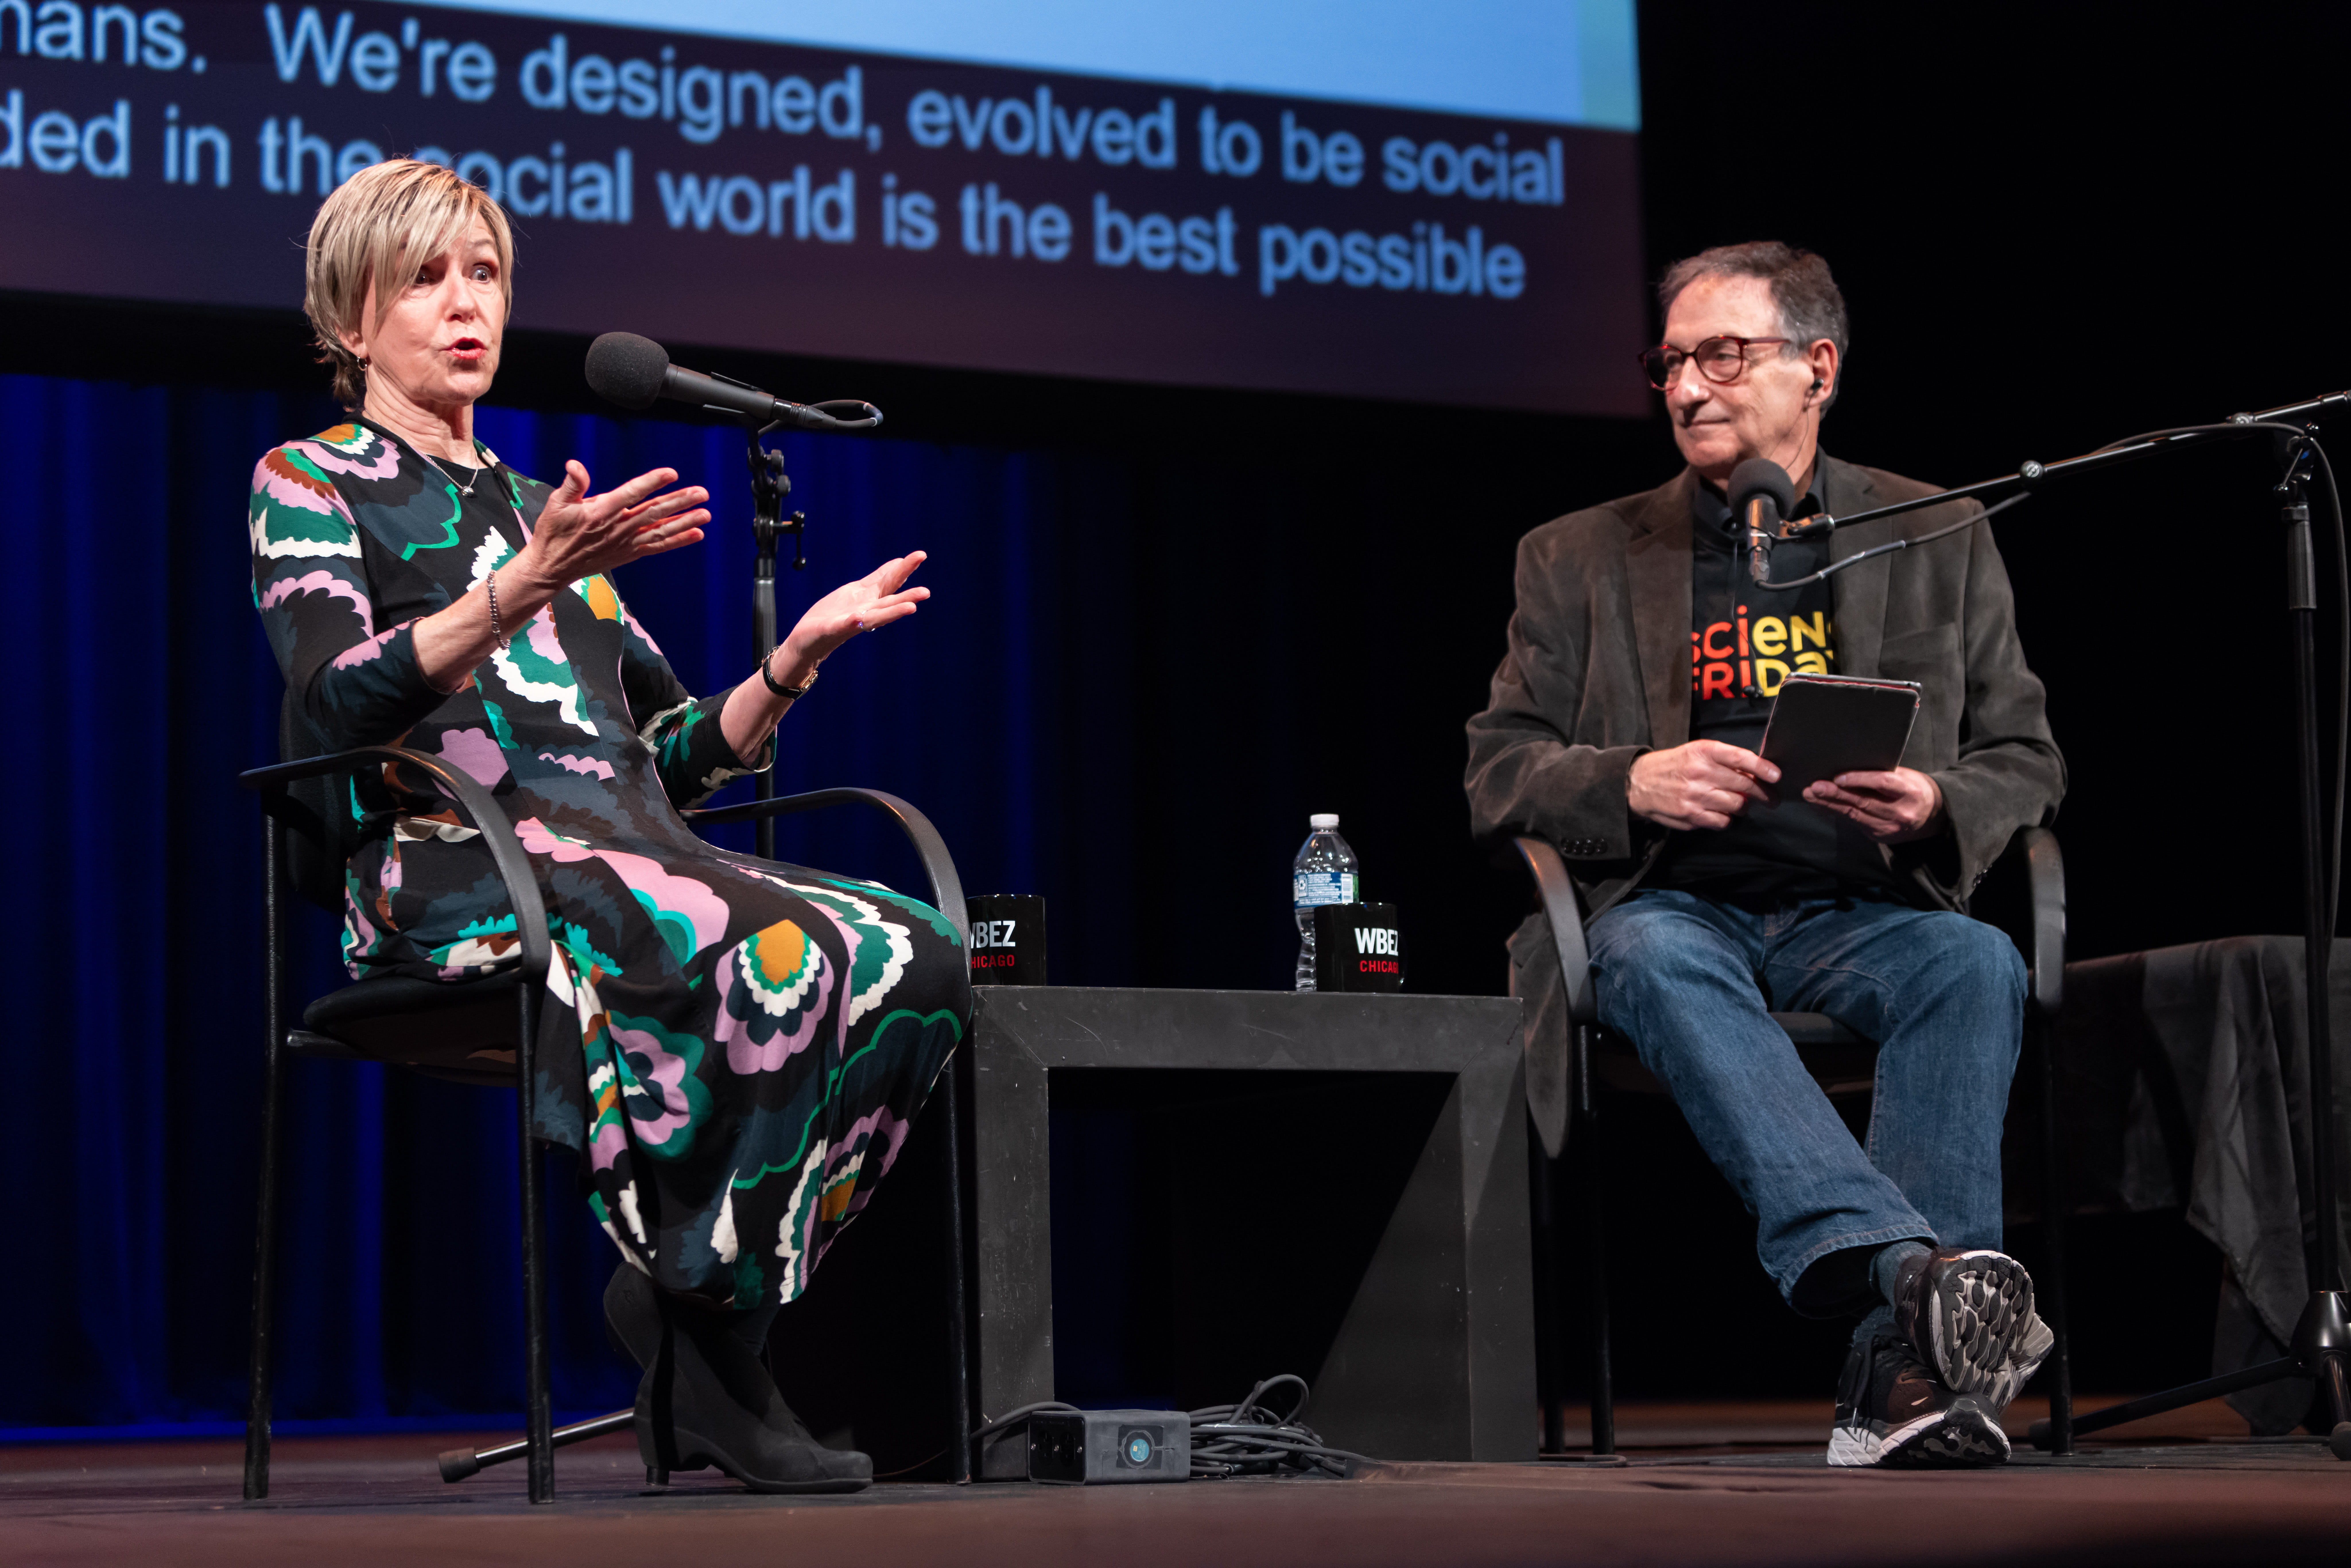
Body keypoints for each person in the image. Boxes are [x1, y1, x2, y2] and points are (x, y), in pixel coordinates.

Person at [249, 159, 968, 1493]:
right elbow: (341, 693)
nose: (465, 306)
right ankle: (708, 1337)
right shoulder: (312, 480)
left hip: (628, 853)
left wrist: (796, 659)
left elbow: (672, 760)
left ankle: (707, 1317)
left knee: (913, 948)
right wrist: (515, 592)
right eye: (424, 279)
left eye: (484, 276)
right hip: (457, 869)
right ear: (352, 323)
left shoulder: (541, 513)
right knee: (711, 922)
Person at [1464, 242, 2064, 1466]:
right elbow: (1498, 768)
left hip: (1862, 908)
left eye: (1721, 356)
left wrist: (1932, 800)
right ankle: (1915, 1286)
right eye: (1669, 362)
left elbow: (2024, 754)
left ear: (1817, 368)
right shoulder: (1575, 555)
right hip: (1669, 909)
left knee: (1972, 959)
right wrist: (1630, 779)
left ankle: (1901, 1373)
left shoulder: (1934, 531)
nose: (1686, 387)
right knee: (1644, 955)